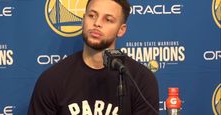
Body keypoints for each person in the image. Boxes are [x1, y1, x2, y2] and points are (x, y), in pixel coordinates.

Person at [27, 0, 159, 115]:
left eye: (108, 19)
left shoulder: (140, 80)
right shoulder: (52, 79)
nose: (97, 23)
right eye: (92, 16)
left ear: (121, 30)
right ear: (83, 20)